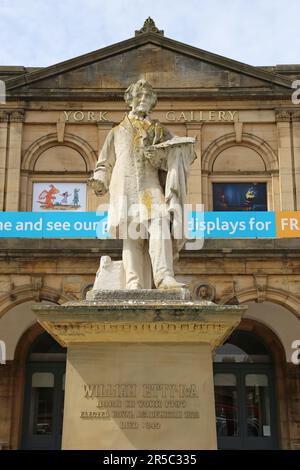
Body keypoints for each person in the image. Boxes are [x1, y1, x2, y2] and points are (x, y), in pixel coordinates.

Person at [90, 79, 195, 289]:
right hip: (125, 187)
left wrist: (163, 155)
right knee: (132, 235)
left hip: (151, 186)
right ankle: (133, 282)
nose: (144, 100)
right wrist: (100, 179)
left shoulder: (159, 129)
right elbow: (105, 162)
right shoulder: (116, 131)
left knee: (160, 223)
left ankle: (164, 277)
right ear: (130, 100)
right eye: (140, 96)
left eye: (148, 97)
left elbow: (180, 153)